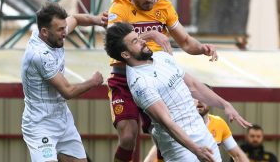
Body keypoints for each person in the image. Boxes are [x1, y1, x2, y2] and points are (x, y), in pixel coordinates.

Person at [107, 0, 218, 162]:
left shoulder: (164, 6)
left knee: (166, 133)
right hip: (124, 78)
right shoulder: (119, 6)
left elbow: (185, 41)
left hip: (157, 79)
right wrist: (150, 34)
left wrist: (202, 48)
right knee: (127, 137)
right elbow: (115, 44)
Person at [104, 22, 252, 162]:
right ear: (125, 55)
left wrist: (225, 105)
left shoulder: (161, 57)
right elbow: (167, 123)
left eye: (138, 37)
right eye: (135, 41)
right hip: (179, 148)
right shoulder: (140, 83)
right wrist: (195, 150)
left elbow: (193, 85)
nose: (142, 41)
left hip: (203, 135)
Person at [21, 2, 107, 162]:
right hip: (40, 125)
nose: (64, 32)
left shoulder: (53, 34)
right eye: (60, 29)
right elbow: (68, 91)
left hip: (62, 119)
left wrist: (98, 20)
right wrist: (93, 81)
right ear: (45, 32)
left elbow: (75, 18)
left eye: (64, 27)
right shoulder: (40, 55)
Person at [144, 96, 250, 162]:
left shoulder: (219, 123)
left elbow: (237, 154)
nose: (199, 101)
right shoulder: (176, 124)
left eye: (204, 98)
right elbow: (155, 153)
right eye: (194, 97)